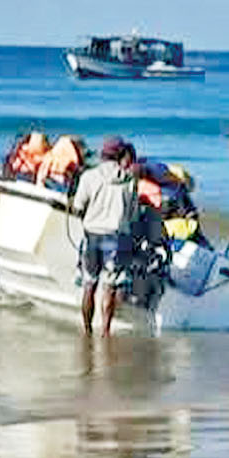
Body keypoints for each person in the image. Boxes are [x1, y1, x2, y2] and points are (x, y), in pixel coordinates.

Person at [69, 136, 140, 336]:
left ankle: (87, 330)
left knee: (89, 284)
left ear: (102, 154)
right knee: (109, 286)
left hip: (92, 235)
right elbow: (133, 214)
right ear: (120, 155)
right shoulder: (130, 180)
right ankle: (106, 331)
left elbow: (78, 207)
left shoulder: (89, 177)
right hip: (115, 238)